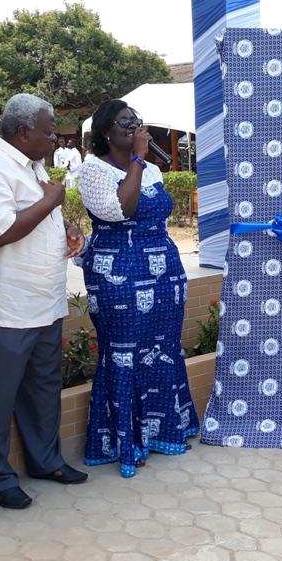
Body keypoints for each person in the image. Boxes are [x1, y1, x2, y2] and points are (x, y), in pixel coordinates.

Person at [0, 94, 88, 510]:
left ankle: (45, 461)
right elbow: (2, 232)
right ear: (23, 131)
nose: (54, 138)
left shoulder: (34, 168)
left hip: (44, 298)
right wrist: (52, 201)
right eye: (48, 131)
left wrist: (64, 226)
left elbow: (37, 216)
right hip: (3, 305)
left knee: (43, 387)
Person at [76, 99, 198, 477]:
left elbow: (156, 212)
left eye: (137, 121)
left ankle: (163, 430)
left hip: (164, 274)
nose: (133, 128)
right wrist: (137, 160)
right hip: (118, 275)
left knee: (162, 349)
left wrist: (143, 163)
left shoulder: (153, 170)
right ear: (105, 132)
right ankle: (125, 441)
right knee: (124, 352)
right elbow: (120, 210)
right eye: (124, 122)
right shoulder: (93, 170)